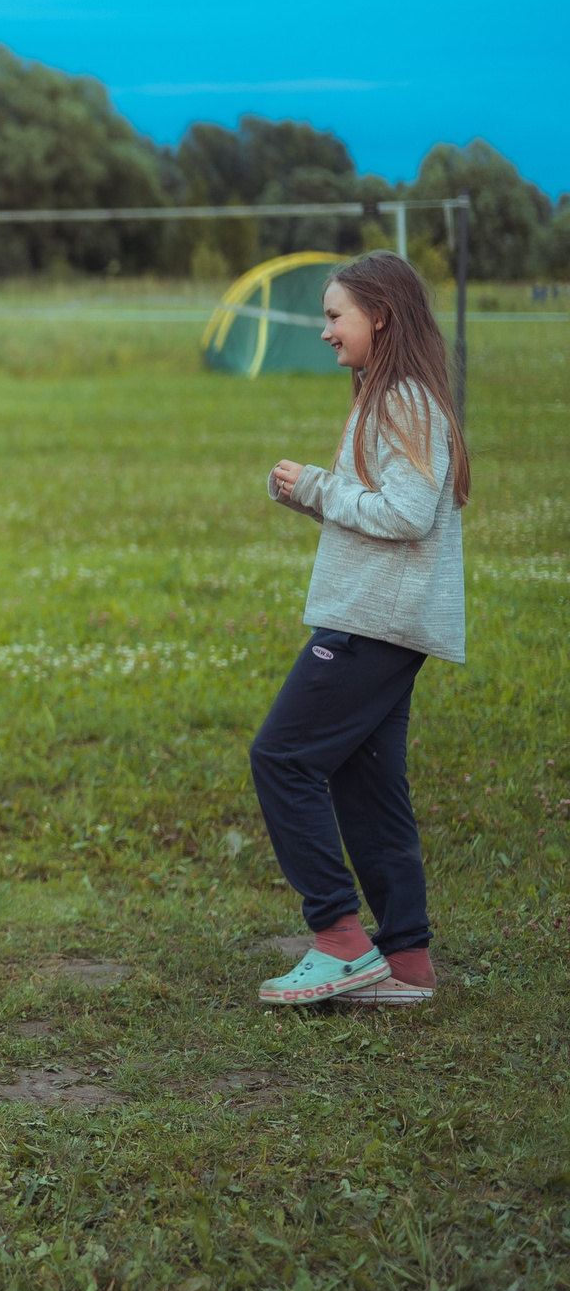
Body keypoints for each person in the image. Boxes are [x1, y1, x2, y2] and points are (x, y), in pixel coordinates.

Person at [253, 252, 467, 1008]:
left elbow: (407, 515)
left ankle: (340, 940)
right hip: (387, 619)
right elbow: (386, 506)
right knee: (365, 779)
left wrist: (318, 483)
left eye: (335, 314)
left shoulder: (402, 400)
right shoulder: (393, 395)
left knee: (281, 756)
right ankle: (405, 956)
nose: (324, 330)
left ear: (380, 314)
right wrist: (316, 498)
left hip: (370, 622)